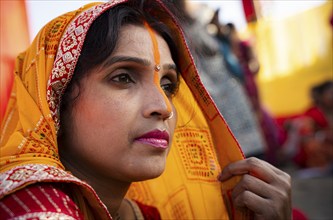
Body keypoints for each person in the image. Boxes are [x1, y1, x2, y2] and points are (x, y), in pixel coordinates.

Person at [0, 0, 291, 219]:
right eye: (123, 77)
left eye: (168, 84)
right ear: (55, 100)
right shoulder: (32, 207)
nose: (163, 107)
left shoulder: (141, 214)